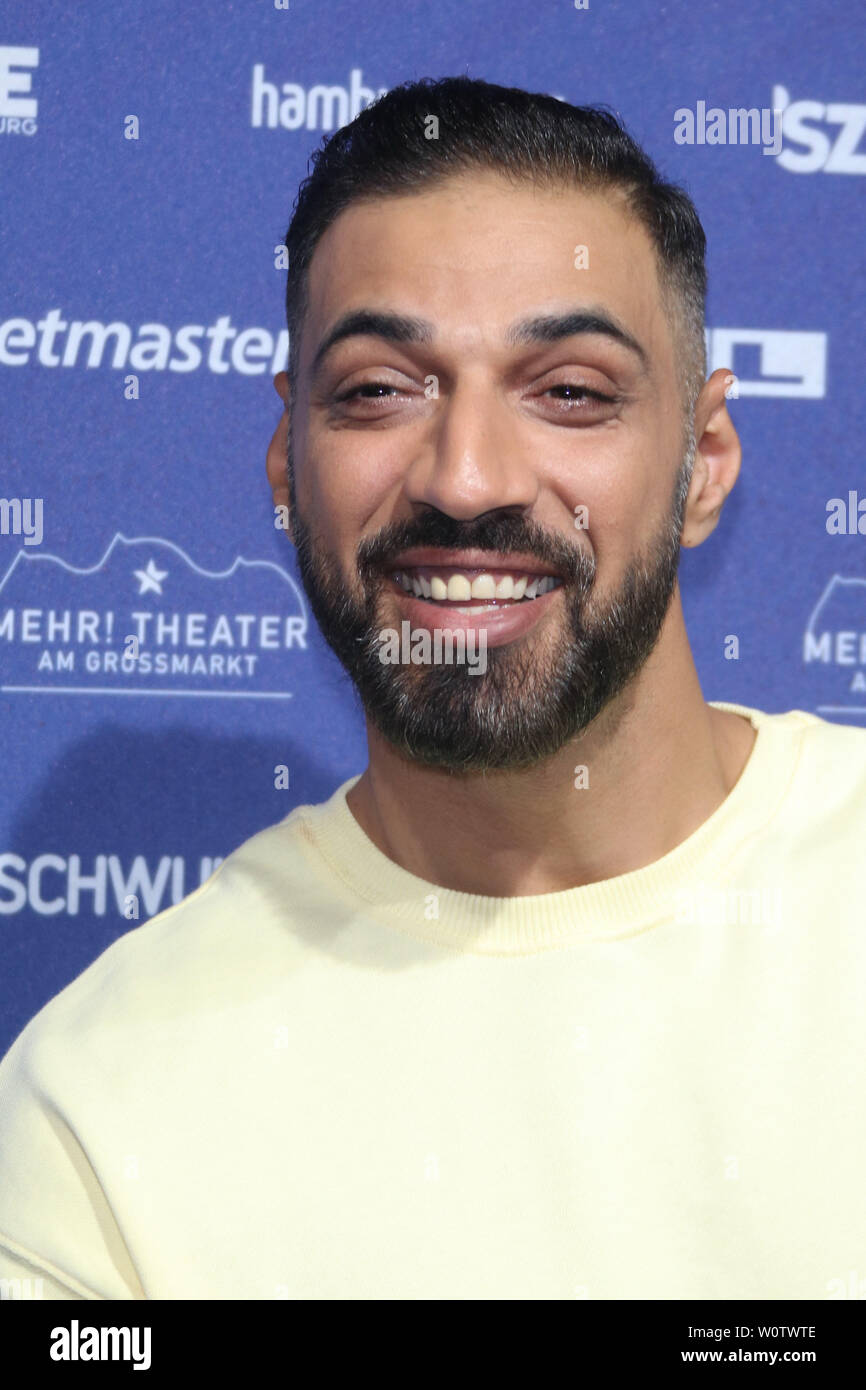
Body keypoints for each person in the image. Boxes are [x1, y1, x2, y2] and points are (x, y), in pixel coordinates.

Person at [1, 76, 864, 1302]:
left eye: (568, 392)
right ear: (286, 463)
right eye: (376, 391)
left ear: (702, 462)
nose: (464, 480)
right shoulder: (96, 1117)